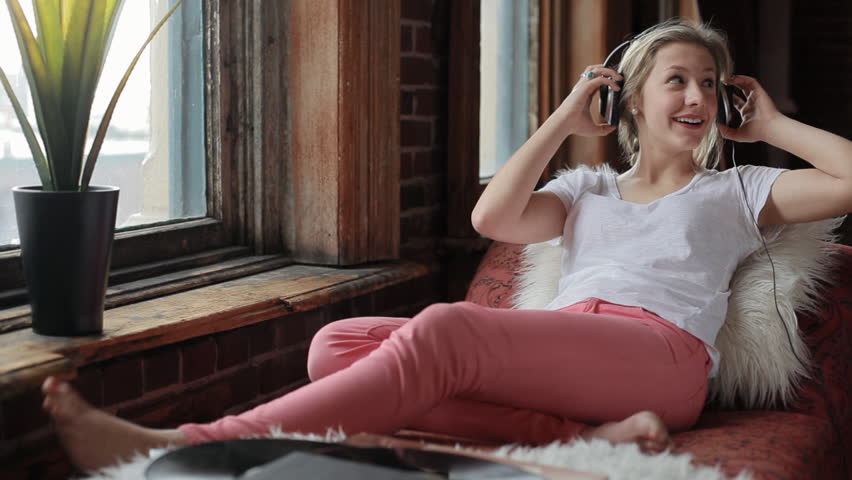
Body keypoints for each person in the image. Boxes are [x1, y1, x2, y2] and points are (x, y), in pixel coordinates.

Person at [41, 19, 852, 472]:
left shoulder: (737, 191)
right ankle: (597, 437)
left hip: (660, 352)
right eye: (676, 78)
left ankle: (194, 445)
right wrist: (565, 122)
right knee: (336, 347)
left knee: (445, 331)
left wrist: (774, 125)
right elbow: (493, 220)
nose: (697, 95)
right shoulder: (586, 189)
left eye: (708, 83)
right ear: (629, 98)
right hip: (575, 350)